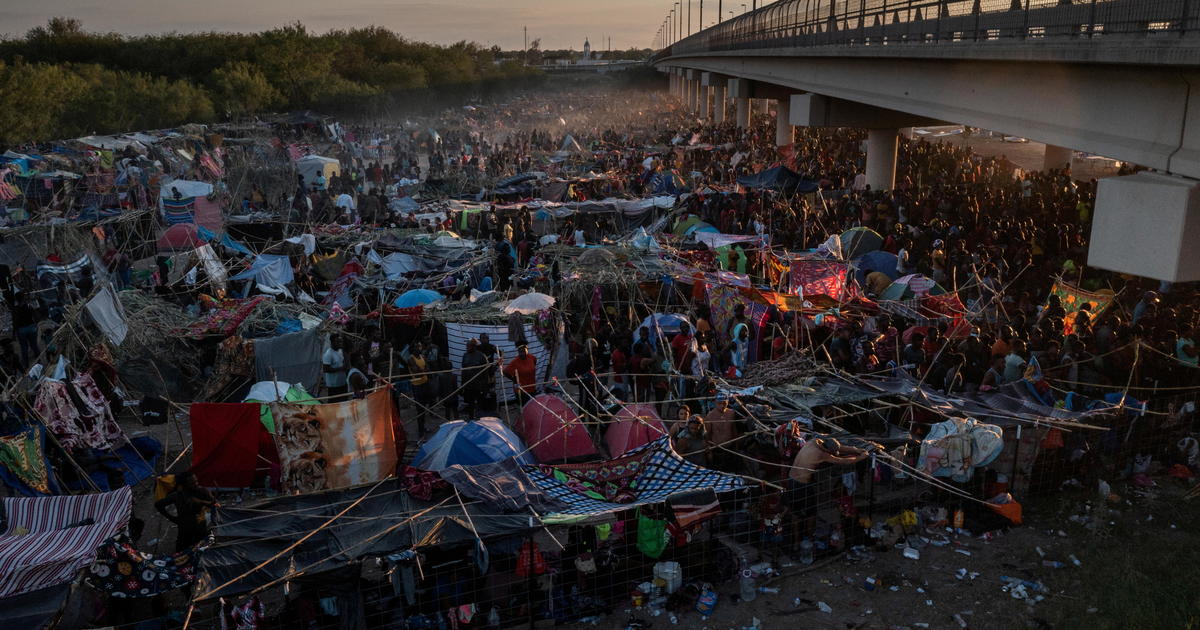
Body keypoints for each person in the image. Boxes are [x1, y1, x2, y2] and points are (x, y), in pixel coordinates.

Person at [787, 437, 868, 539]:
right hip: (802, 484)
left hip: (791, 479)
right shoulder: (822, 454)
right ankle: (810, 537)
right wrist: (861, 457)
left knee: (795, 511)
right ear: (828, 450)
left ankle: (796, 540)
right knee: (811, 513)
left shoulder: (813, 442)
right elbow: (843, 461)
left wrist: (855, 450)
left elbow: (840, 447)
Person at [154, 471, 217, 551]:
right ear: (184, 485)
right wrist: (172, 518)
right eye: (192, 483)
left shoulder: (202, 491)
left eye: (196, 481)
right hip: (184, 529)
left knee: (200, 550)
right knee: (181, 552)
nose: (196, 484)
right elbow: (158, 505)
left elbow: (214, 504)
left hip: (200, 527)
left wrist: (200, 502)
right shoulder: (177, 496)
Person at [461, 339, 489, 417]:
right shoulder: (465, 356)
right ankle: (471, 418)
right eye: (466, 345)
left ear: (474, 346)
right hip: (468, 384)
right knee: (470, 403)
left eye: (468, 345)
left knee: (480, 403)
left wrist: (485, 386)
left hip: (479, 385)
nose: (467, 347)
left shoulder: (481, 356)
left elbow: (486, 372)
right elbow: (463, 371)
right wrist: (462, 385)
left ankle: (479, 418)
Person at [409, 342, 432, 435]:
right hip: (417, 386)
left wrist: (423, 370)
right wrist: (423, 370)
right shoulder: (410, 359)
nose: (420, 348)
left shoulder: (422, 356)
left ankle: (423, 427)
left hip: (425, 383)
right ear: (414, 348)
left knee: (424, 407)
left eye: (420, 346)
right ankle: (421, 430)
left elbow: (428, 368)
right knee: (420, 408)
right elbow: (417, 372)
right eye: (417, 347)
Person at [322, 335, 348, 399]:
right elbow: (325, 369)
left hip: (342, 383)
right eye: (337, 342)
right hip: (334, 385)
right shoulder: (328, 354)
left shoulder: (340, 351)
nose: (340, 343)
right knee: (335, 401)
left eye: (340, 341)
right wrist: (340, 369)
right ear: (332, 342)